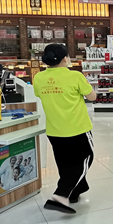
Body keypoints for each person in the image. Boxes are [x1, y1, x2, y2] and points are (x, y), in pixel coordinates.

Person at [33, 44, 97, 215]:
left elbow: (39, 94)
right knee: (85, 160)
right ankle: (60, 196)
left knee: (65, 163)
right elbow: (92, 97)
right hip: (77, 128)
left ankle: (75, 192)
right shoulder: (75, 76)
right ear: (65, 58)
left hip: (54, 130)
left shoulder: (38, 78)